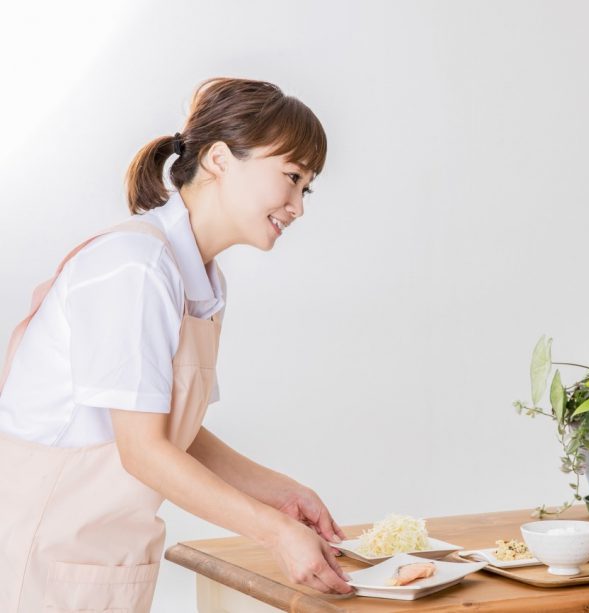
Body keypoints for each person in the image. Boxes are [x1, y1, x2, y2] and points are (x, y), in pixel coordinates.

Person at [0, 78, 354, 613]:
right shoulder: (135, 266)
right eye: (291, 177)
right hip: (40, 553)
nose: (298, 206)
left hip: (100, 554)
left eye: (306, 188)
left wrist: (282, 493)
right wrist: (275, 534)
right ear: (219, 159)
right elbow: (143, 451)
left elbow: (170, 431)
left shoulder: (201, 280)